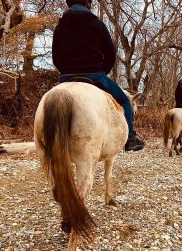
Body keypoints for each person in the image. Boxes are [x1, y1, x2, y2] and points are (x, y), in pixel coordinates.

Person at [52, 0, 145, 151]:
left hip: (67, 76)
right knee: (124, 100)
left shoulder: (60, 27)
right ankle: (130, 139)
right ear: (88, 4)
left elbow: (55, 58)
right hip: (94, 75)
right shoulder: (97, 25)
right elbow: (110, 55)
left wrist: (65, 72)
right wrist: (102, 72)